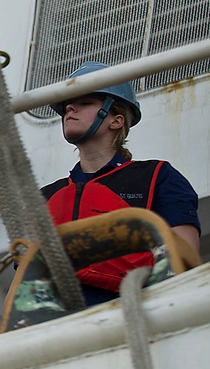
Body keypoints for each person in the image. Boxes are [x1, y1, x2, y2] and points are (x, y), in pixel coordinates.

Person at [42, 61, 201, 306]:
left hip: (133, 316)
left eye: (86, 103)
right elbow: (25, 281)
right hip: (55, 329)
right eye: (67, 105)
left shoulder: (158, 177)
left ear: (115, 120)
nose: (70, 108)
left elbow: (184, 262)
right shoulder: (45, 197)